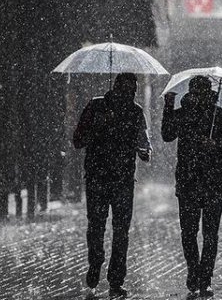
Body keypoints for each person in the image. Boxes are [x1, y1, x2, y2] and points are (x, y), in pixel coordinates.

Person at [162, 76, 222, 298]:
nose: (198, 97)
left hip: (214, 181)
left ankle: (205, 278)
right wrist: (168, 106)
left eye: (202, 93)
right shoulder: (183, 114)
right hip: (188, 181)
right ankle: (193, 270)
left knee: (210, 234)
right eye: (195, 93)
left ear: (210, 93)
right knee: (188, 232)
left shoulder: (221, 117)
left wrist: (216, 145)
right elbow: (167, 135)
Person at [73, 73, 151, 299]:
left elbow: (144, 143)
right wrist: (98, 125)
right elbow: (78, 140)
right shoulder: (95, 107)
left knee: (121, 231)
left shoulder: (135, 112)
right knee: (96, 226)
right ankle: (95, 262)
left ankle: (116, 279)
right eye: (127, 90)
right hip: (97, 178)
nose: (130, 95)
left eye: (133, 92)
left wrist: (144, 152)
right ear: (116, 88)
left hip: (124, 180)